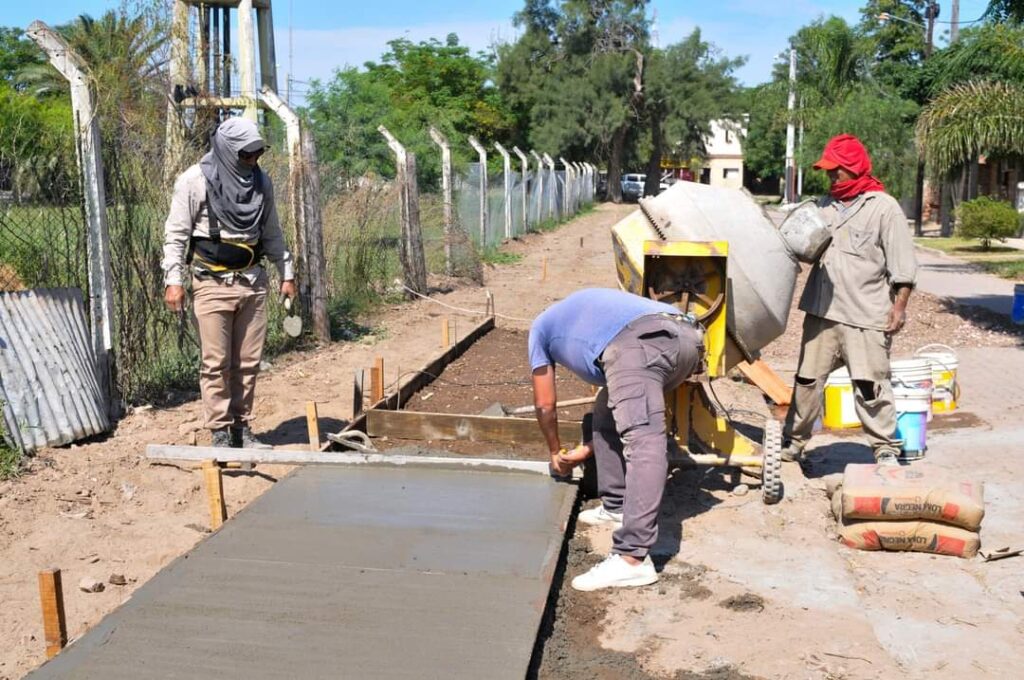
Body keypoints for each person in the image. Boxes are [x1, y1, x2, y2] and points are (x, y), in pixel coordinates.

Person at [529, 288, 703, 591]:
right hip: (686, 339)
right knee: (606, 412)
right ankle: (616, 505)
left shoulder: (539, 328)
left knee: (642, 439)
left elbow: (545, 405)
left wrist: (555, 451)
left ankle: (632, 558)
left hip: (638, 344)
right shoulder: (583, 311)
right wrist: (587, 449)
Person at [782, 133, 917, 467]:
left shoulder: (883, 208)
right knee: (807, 382)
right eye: (827, 170)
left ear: (853, 167)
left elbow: (902, 265)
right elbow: (795, 244)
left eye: (836, 170)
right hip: (822, 312)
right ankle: (794, 442)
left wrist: (899, 308)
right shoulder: (821, 206)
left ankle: (884, 448)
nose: (830, 176)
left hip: (867, 314)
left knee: (871, 386)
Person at [162, 117, 296, 449]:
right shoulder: (194, 182)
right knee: (216, 363)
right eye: (245, 155)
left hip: (252, 283)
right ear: (226, 151)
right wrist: (174, 281)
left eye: (256, 154)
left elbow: (272, 232)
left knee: (248, 362)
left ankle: (241, 429)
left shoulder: (261, 183)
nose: (252, 162)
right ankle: (220, 433)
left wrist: (287, 272)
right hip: (211, 283)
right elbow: (175, 236)